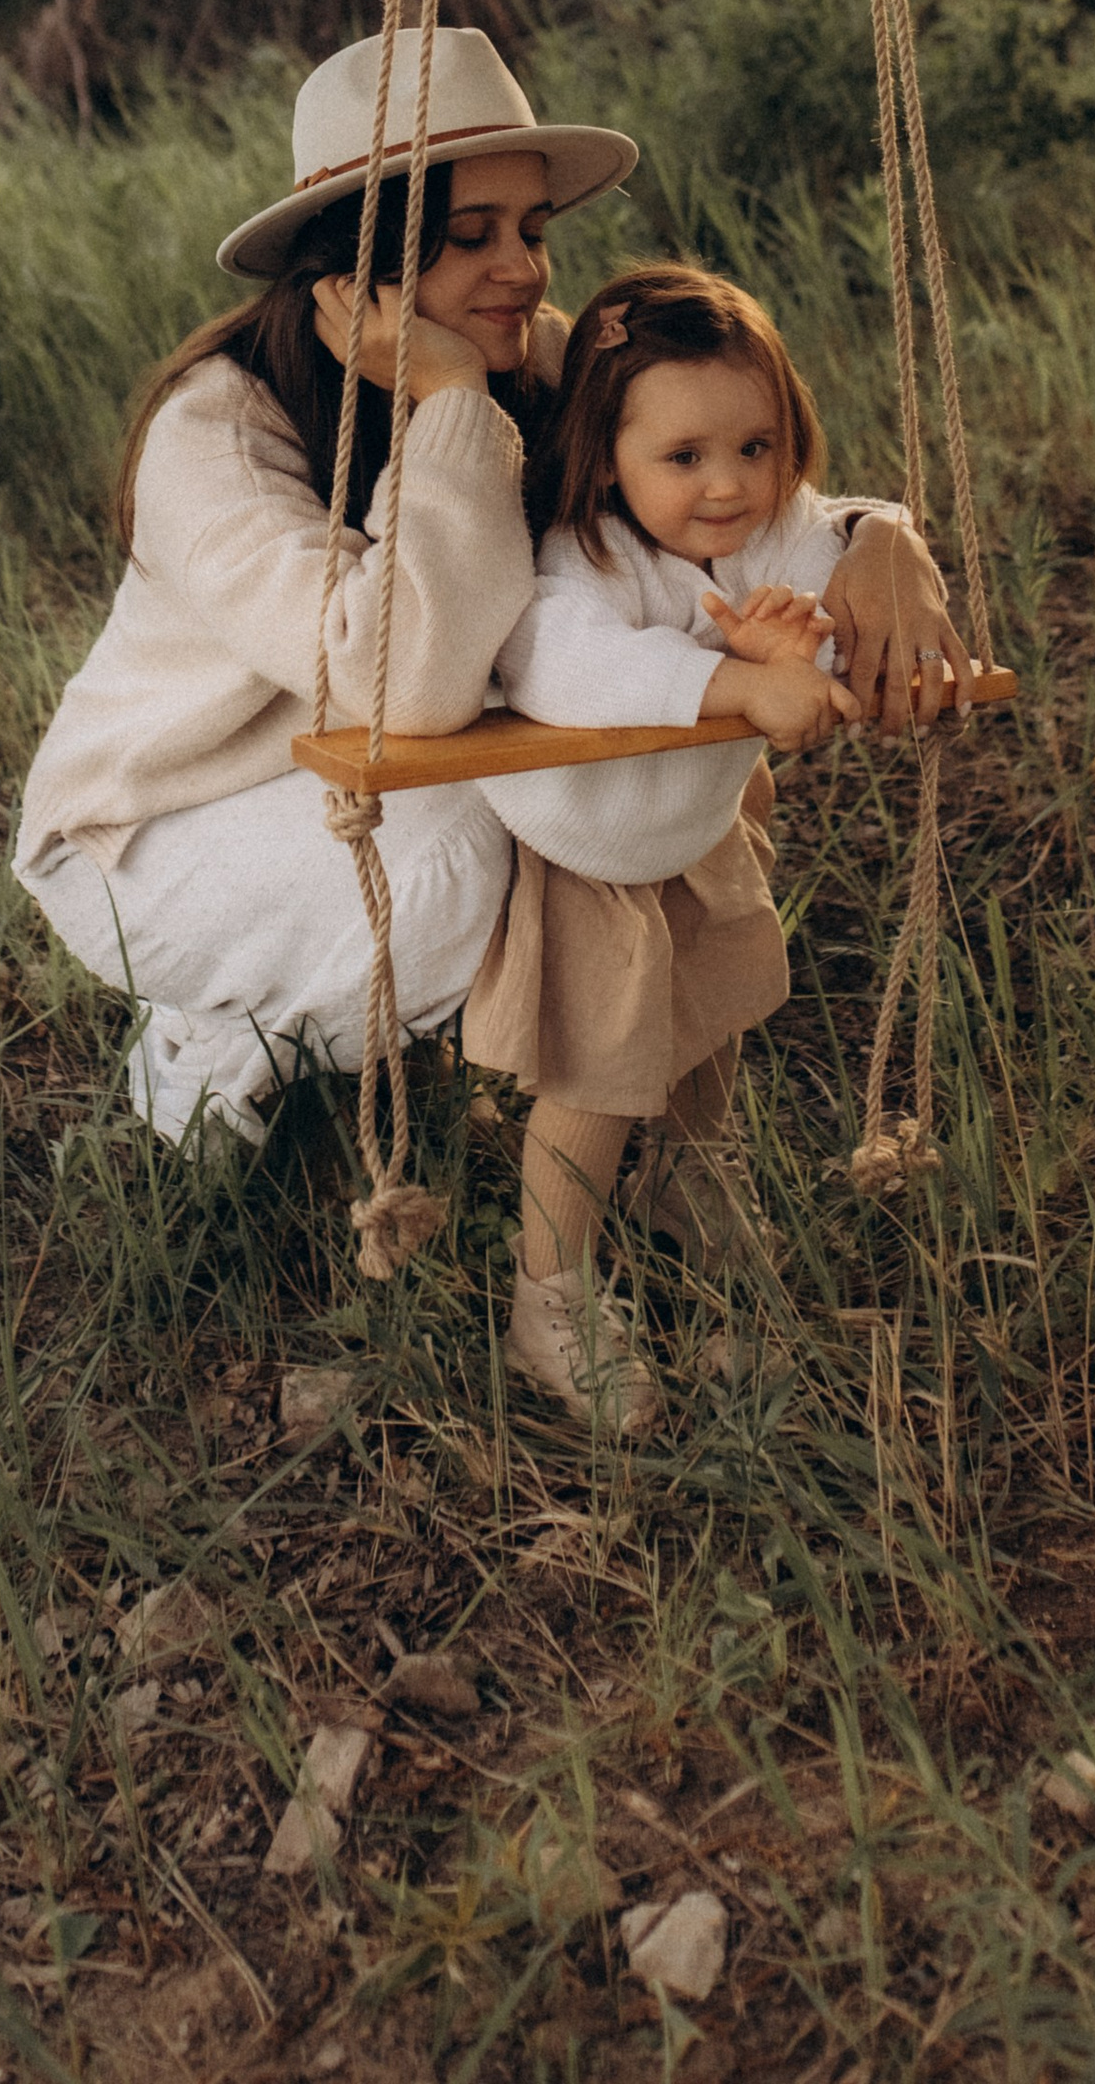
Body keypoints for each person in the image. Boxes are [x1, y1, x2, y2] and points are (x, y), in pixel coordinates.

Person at [12, 26, 974, 1414]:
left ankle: (663, 1154)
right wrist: (453, 407)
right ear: (355, 271)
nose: (524, 268)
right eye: (472, 236)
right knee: (505, 835)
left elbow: (703, 499)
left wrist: (888, 540)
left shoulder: (536, 353)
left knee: (634, 770)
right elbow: (400, 690)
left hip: (377, 781)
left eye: (531, 226)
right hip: (156, 841)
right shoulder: (218, 436)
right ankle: (215, 1038)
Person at [468, 260, 955, 1428]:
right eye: (683, 459)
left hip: (690, 819)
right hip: (588, 833)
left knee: (715, 1006)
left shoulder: (770, 523)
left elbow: (835, 555)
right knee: (601, 1070)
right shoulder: (581, 556)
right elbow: (563, 664)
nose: (730, 486)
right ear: (606, 455)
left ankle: (690, 1174)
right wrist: (742, 680)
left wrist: (821, 644)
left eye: (757, 444)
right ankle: (553, 1289)